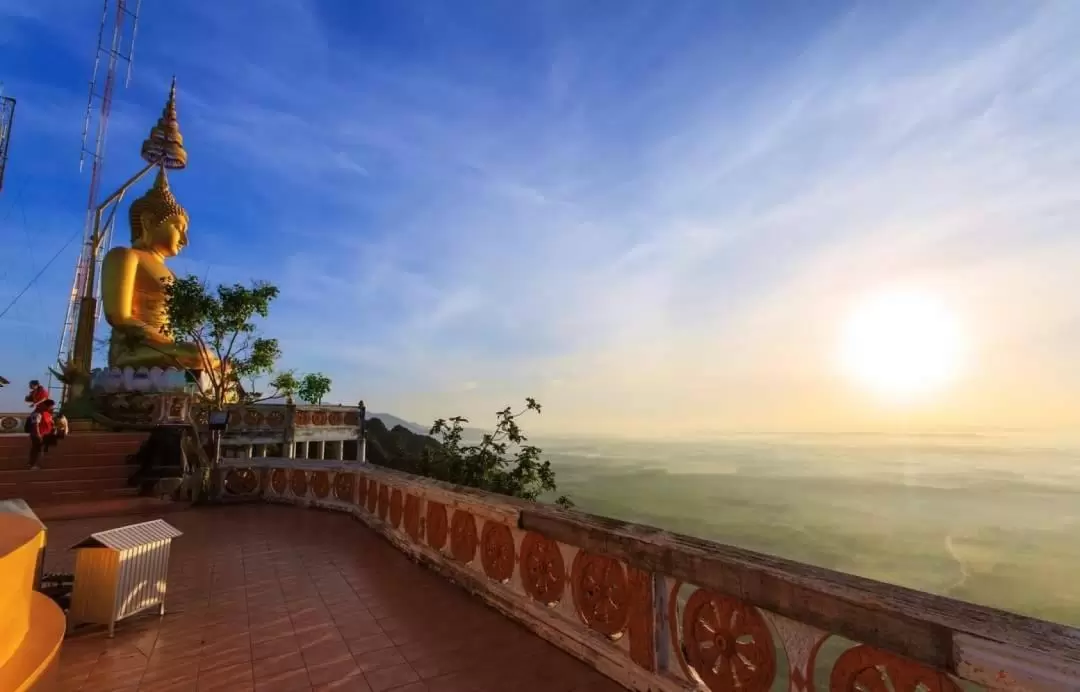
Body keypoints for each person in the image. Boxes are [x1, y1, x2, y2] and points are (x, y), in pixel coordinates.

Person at [26, 399, 56, 470]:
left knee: (38, 449)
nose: (52, 408)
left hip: (45, 434)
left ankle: (32, 463)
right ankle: (33, 464)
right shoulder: (38, 413)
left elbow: (51, 422)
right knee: (37, 449)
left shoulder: (47, 413)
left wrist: (53, 427)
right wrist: (38, 434)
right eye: (51, 406)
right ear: (46, 405)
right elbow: (35, 425)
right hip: (38, 435)